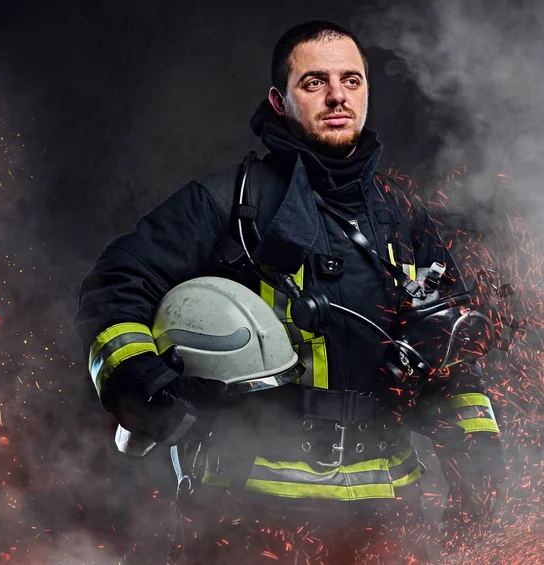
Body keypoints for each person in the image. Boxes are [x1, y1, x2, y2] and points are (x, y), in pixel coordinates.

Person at [75, 20, 507, 564]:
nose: (336, 96)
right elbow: (115, 284)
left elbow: (448, 348)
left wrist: (479, 469)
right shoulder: (230, 203)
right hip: (249, 520)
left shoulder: (403, 220)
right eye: (314, 82)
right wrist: (145, 385)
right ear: (280, 100)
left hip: (387, 523)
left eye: (351, 81)